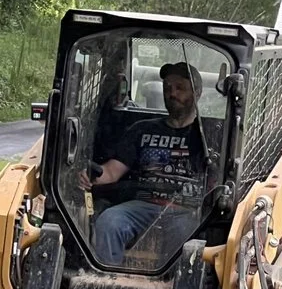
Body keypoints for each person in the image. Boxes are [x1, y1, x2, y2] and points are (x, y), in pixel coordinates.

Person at [79, 62, 209, 266]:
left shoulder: (207, 136)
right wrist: (92, 176)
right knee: (109, 221)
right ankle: (108, 281)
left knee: (187, 233)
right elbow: (112, 171)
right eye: (167, 88)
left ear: (197, 93)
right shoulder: (142, 130)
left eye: (180, 88)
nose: (172, 93)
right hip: (143, 206)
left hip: (186, 211)